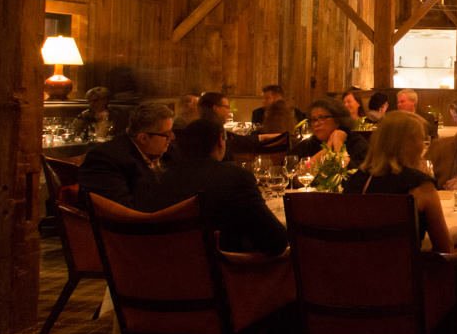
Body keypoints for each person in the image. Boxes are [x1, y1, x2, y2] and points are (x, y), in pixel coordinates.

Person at [137, 119, 286, 255]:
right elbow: (276, 241)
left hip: (165, 269)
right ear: (220, 141)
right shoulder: (236, 178)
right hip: (227, 274)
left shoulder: (159, 178)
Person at [343, 111, 455, 255]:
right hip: (403, 274)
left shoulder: (356, 180)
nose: (422, 146)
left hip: (356, 271)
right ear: (408, 144)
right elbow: (444, 249)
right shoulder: (420, 186)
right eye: (421, 139)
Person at [77, 102, 176, 207]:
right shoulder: (105, 159)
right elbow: (122, 209)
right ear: (143, 138)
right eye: (167, 134)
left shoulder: (168, 151)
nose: (172, 138)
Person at [292, 97, 367, 166]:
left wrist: (338, 144)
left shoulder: (355, 142)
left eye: (322, 118)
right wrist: (328, 148)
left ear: (338, 119)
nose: (316, 124)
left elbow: (355, 175)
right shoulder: (309, 144)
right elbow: (295, 171)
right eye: (313, 119)